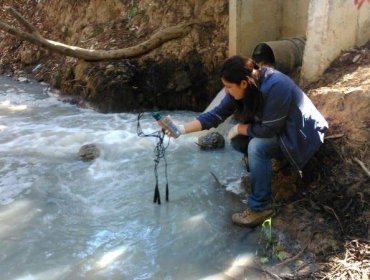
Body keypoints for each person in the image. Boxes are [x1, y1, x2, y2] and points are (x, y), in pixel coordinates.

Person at [171, 55, 328, 227]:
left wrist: (239, 128)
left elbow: (269, 129)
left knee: (256, 146)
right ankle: (264, 168)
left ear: (243, 84)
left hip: (301, 135)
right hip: (282, 129)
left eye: (228, 87)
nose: (226, 91)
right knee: (239, 141)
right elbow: (215, 115)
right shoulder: (246, 84)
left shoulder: (276, 86)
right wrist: (180, 129)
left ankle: (261, 208)